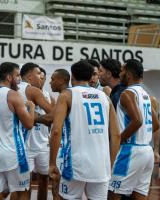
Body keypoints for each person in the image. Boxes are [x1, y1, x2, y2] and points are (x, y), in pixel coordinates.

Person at [49, 60, 121, 199]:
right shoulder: (105, 97)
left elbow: (56, 130)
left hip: (75, 164)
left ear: (72, 76)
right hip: (101, 165)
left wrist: (52, 163)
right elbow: (116, 135)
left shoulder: (66, 95)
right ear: (90, 77)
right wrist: (110, 163)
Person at [0, 62, 35, 200]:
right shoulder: (13, 95)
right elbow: (29, 124)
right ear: (9, 77)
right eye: (17, 75)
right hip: (14, 154)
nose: (20, 79)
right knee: (23, 192)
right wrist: (32, 107)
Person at [108, 59, 160, 200]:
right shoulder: (146, 95)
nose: (120, 73)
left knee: (112, 193)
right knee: (139, 196)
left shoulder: (127, 94)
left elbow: (137, 120)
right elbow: (156, 125)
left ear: (129, 75)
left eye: (123, 70)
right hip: (147, 152)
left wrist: (120, 138)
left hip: (130, 150)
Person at [16, 63, 53, 199]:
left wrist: (35, 117)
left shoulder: (13, 90)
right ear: (30, 76)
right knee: (24, 185)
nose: (41, 78)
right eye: (39, 75)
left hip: (41, 144)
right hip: (27, 145)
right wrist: (36, 118)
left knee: (26, 184)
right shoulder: (32, 91)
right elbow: (53, 115)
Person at [48, 69, 70, 200]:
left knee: (58, 188)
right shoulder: (68, 95)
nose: (50, 82)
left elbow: (50, 118)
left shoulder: (66, 95)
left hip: (65, 149)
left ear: (62, 80)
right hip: (67, 147)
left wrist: (31, 117)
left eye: (53, 79)